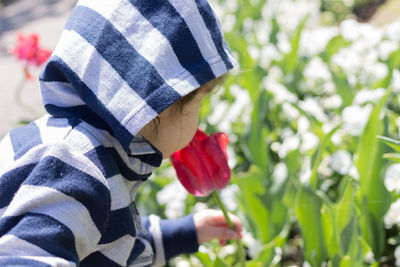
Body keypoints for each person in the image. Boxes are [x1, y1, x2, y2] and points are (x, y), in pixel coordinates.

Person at [0, 0, 242, 266]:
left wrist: (184, 233)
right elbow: (20, 258)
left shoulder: (100, 159)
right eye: (199, 102)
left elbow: (111, 237)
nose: (200, 122)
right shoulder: (71, 165)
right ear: (155, 104)